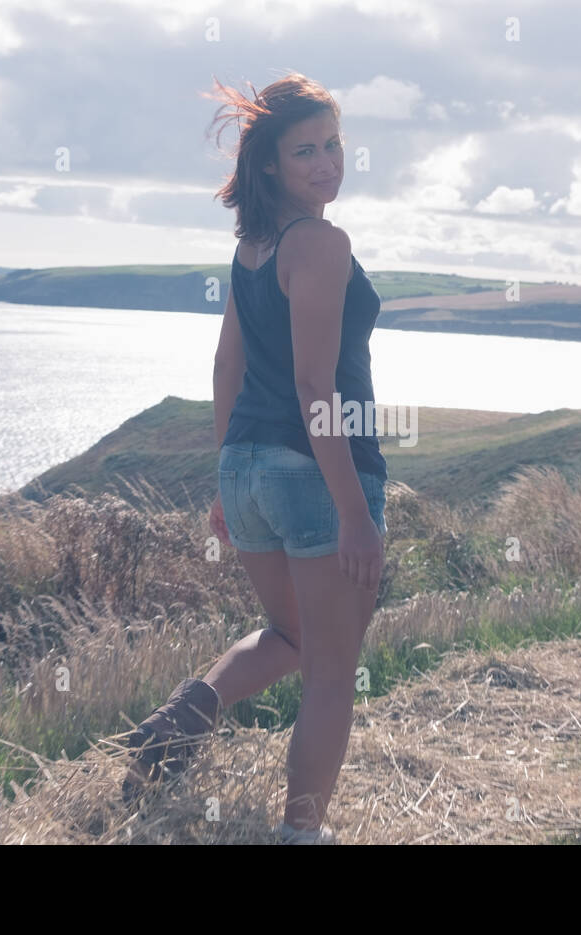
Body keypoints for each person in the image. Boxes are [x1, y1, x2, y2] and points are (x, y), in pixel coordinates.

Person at [122, 71, 388, 846]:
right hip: (318, 474)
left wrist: (226, 476)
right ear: (269, 163)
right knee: (332, 669)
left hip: (248, 471)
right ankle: (300, 834)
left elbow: (224, 370)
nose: (327, 162)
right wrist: (352, 514)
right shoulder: (322, 245)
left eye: (334, 144)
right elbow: (315, 383)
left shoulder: (250, 250)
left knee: (294, 636)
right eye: (306, 150)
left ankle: (186, 713)